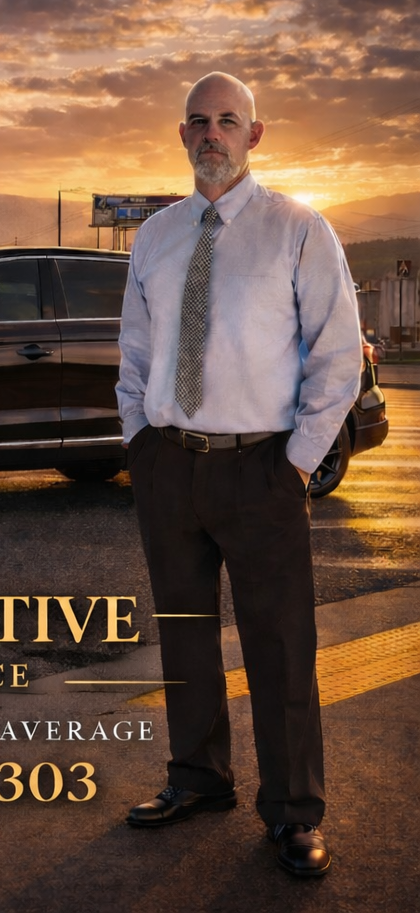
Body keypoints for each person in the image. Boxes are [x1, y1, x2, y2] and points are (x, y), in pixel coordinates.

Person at [116, 72, 362, 877]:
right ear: (181, 135)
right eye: (197, 122)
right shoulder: (153, 238)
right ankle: (198, 778)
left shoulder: (298, 229)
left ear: (255, 135)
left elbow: (334, 356)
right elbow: (137, 356)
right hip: (170, 464)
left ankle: (293, 812)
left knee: (281, 646)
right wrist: (139, 442)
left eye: (228, 121)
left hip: (261, 466)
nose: (211, 134)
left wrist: (294, 461)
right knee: (185, 636)